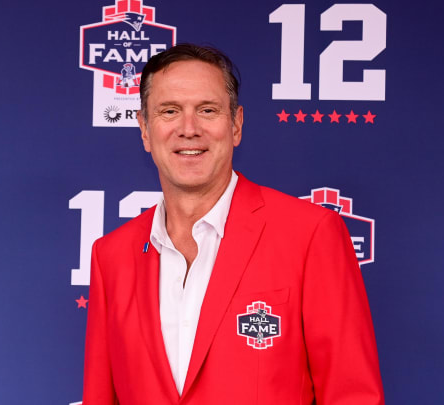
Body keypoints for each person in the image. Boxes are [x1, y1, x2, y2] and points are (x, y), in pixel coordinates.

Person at [83, 43, 384, 405]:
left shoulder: (311, 234)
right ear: (145, 130)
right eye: (169, 111)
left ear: (236, 125)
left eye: (207, 110)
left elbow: (352, 395)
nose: (188, 128)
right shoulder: (111, 255)